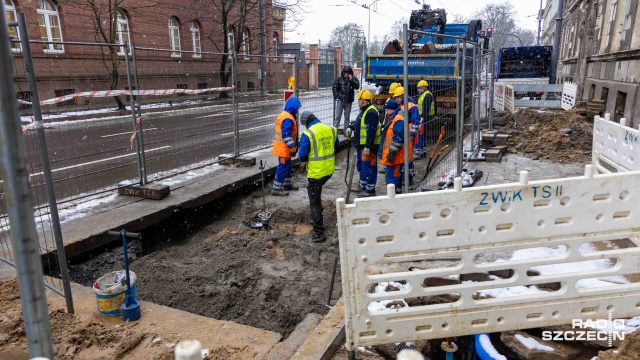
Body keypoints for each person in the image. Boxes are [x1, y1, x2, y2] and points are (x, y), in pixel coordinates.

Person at [298, 111, 339, 243]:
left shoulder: (308, 134)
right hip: (329, 170)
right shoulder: (331, 129)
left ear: (306, 123)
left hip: (316, 172)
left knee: (314, 201)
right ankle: (317, 217)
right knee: (316, 193)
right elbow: (336, 146)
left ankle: (319, 232)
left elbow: (302, 157)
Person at [346, 90, 381, 197]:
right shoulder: (365, 110)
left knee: (369, 167)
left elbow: (371, 131)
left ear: (363, 101)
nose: (358, 102)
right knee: (362, 166)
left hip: (368, 147)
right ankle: (363, 185)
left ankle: (370, 190)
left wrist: (368, 146)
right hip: (362, 145)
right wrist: (351, 127)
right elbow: (360, 123)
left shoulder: (371, 112)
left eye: (359, 100)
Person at [378, 99, 413, 193]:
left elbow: (398, 138)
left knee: (391, 179)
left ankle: (393, 197)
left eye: (387, 110)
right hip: (398, 155)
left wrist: (391, 153)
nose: (386, 112)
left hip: (396, 156)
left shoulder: (398, 119)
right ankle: (397, 193)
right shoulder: (397, 118)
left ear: (392, 109)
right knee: (396, 176)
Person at [271, 96, 302, 196]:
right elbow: (286, 135)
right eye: (297, 108)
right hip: (284, 149)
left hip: (283, 148)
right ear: (293, 107)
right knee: (283, 167)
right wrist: (292, 148)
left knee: (287, 166)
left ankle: (287, 184)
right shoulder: (288, 118)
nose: (298, 110)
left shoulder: (285, 115)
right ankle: (276, 189)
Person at [393, 86, 419, 184]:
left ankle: (409, 177)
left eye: (398, 97)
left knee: (408, 157)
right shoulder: (399, 106)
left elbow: (416, 122)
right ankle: (403, 176)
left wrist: (412, 134)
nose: (397, 99)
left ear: (403, 96)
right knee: (402, 156)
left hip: (408, 136)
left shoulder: (412, 106)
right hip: (401, 136)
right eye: (396, 98)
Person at [332, 65, 360, 134]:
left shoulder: (353, 79)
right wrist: (337, 96)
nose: (346, 74)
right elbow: (334, 87)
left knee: (347, 116)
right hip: (341, 100)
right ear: (343, 73)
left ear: (350, 73)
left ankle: (346, 131)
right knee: (338, 116)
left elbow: (357, 86)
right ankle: (334, 131)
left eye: (348, 73)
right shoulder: (339, 79)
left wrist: (351, 80)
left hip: (349, 100)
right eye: (345, 73)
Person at [416, 80, 435, 156]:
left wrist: (422, 118)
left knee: (420, 134)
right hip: (425, 117)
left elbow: (426, 108)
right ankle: (423, 151)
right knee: (422, 134)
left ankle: (419, 152)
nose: (418, 90)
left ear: (423, 88)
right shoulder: (425, 94)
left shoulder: (427, 95)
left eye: (419, 88)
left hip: (424, 118)